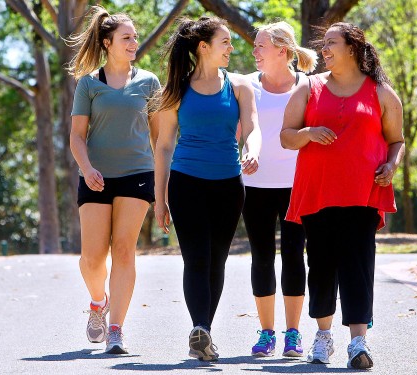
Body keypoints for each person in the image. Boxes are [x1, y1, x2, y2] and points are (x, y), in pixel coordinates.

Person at [280, 22, 405, 369]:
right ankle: (322, 338)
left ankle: (358, 342)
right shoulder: (308, 86)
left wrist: (391, 166)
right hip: (318, 192)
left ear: (352, 48)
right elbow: (286, 137)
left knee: (359, 266)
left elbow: (397, 141)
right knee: (319, 265)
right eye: (324, 44)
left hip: (363, 193)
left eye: (331, 43)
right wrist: (308, 132)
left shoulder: (380, 91)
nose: (324, 50)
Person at [154, 16, 261, 362]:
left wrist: (252, 150)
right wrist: (159, 199)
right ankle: (200, 327)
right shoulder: (176, 89)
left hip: (229, 185)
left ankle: (203, 334)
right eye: (225, 42)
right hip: (186, 182)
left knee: (217, 259)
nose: (232, 48)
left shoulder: (240, 85)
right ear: (204, 47)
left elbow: (253, 129)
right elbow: (164, 146)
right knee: (196, 257)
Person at [68, 6, 160, 354]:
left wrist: (163, 183)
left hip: (138, 174)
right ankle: (98, 303)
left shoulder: (149, 81)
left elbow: (159, 139)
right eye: (127, 37)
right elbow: (77, 135)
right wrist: (88, 168)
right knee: (92, 258)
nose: (134, 41)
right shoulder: (89, 83)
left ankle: (118, 328)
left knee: (123, 250)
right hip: (95, 178)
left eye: (135, 37)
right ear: (108, 43)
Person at [239, 22, 317, 358]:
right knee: (260, 257)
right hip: (254, 186)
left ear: (281, 50)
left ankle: (294, 334)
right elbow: (239, 131)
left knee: (294, 257)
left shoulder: (307, 86)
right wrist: (243, 152)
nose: (254, 51)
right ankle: (267, 333)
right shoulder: (247, 86)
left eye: (260, 46)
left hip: (296, 186)